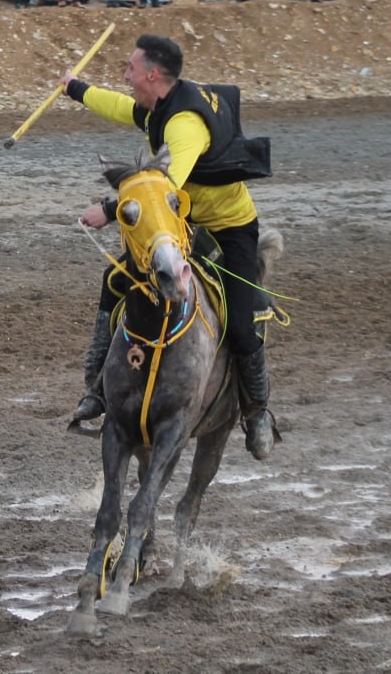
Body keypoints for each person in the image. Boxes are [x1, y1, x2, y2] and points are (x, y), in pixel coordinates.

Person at [58, 34, 277, 461]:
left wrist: (109, 207)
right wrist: (75, 89)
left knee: (240, 320)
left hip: (228, 227)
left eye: (131, 69)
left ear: (152, 75)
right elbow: (122, 108)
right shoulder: (159, 105)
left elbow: (165, 186)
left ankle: (257, 411)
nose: (126, 76)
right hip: (179, 221)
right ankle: (97, 389)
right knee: (117, 278)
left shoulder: (183, 125)